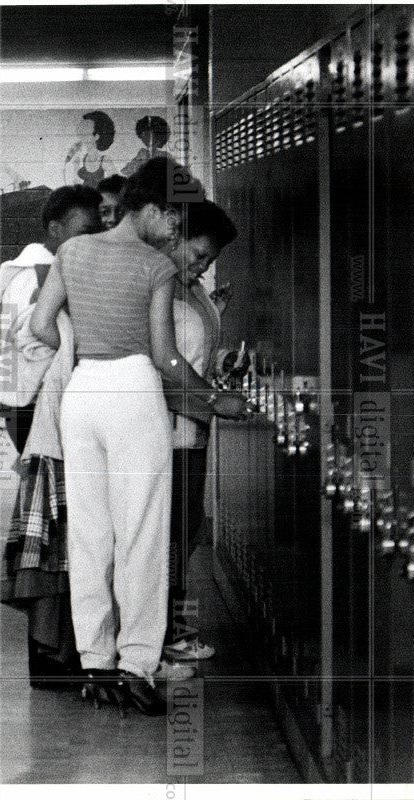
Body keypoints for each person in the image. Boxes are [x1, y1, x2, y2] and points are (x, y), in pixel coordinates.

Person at [30, 158, 248, 714]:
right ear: (149, 208)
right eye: (174, 221)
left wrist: (81, 352)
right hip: (132, 391)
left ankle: (95, 665)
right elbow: (164, 356)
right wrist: (213, 399)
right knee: (143, 538)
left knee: (89, 538)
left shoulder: (73, 252)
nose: (176, 231)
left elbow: (39, 325)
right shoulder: (152, 265)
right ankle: (136, 667)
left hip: (82, 393)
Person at [160, 200, 239, 663]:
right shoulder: (158, 289)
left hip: (194, 433)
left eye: (209, 260)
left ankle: (173, 629)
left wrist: (223, 365)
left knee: (184, 535)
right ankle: (165, 634)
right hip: (166, 434)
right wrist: (213, 402)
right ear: (174, 238)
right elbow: (159, 372)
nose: (203, 266)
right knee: (167, 538)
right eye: (199, 255)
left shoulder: (194, 291)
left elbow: (197, 356)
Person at [0, 185, 102, 454]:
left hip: (19, 397)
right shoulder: (36, 275)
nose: (94, 241)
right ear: (55, 229)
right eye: (85, 232)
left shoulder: (33, 268)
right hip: (32, 400)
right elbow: (36, 332)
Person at [64, 111, 117, 189]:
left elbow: (117, 183)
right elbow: (74, 184)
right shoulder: (80, 157)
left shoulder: (104, 160)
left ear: (96, 136)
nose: (82, 133)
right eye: (82, 129)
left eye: (86, 130)